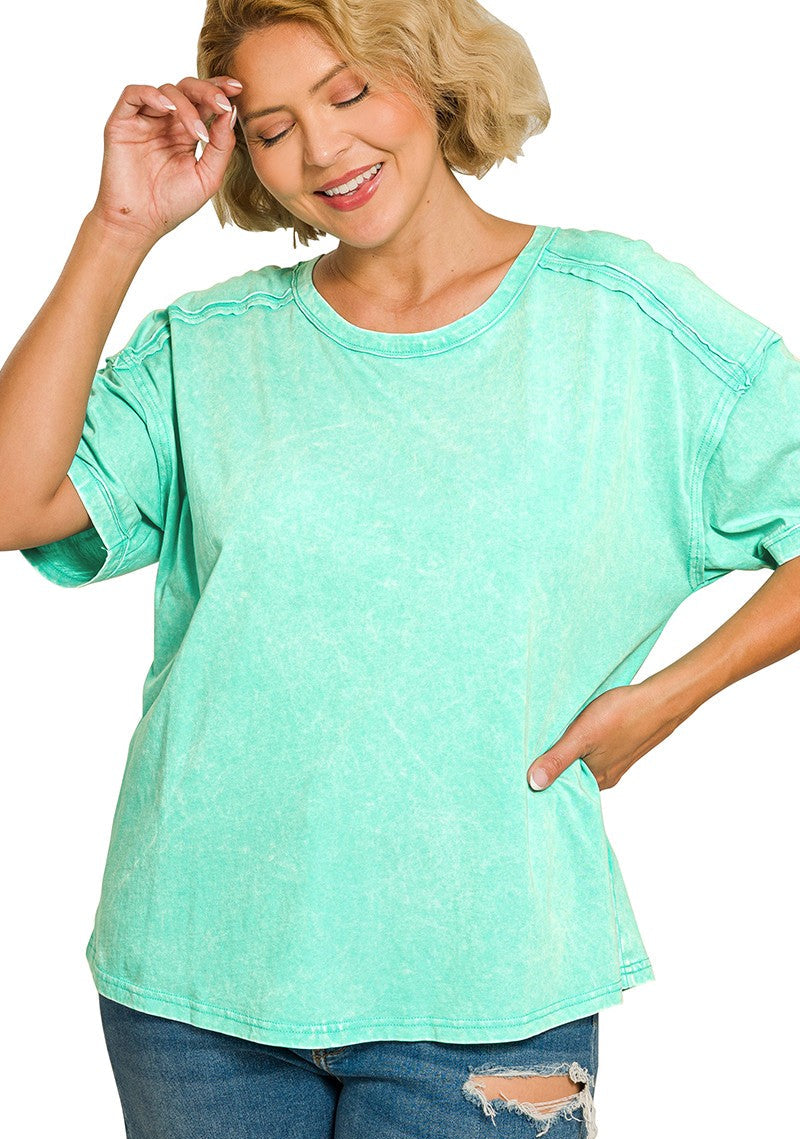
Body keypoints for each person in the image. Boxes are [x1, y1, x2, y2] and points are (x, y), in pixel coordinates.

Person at [2, 1, 799, 1136]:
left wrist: (663, 698)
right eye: (272, 128)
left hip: (497, 994)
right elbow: (11, 498)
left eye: (348, 92)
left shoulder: (623, 322)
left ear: (433, 83)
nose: (322, 151)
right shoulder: (208, 347)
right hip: (195, 980)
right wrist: (118, 228)